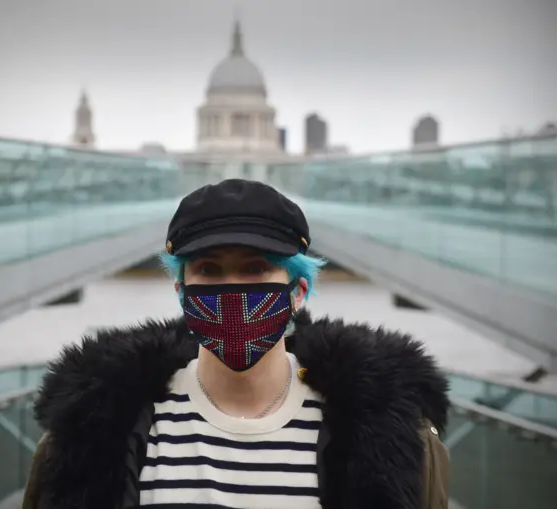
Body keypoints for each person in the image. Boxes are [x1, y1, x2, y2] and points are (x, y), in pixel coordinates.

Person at [23, 178, 450, 509]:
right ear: (180, 289)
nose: (232, 289)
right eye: (208, 270)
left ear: (298, 291)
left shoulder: (390, 436)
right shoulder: (97, 428)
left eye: (256, 269)